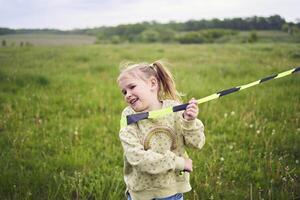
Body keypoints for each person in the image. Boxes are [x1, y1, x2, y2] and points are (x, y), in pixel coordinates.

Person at [117, 60, 205, 200]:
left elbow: (197, 143)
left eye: (132, 87)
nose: (127, 94)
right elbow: (136, 157)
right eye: (124, 91)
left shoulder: (174, 109)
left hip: (172, 191)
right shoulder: (129, 116)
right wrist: (179, 163)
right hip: (142, 192)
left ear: (152, 84)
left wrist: (189, 122)